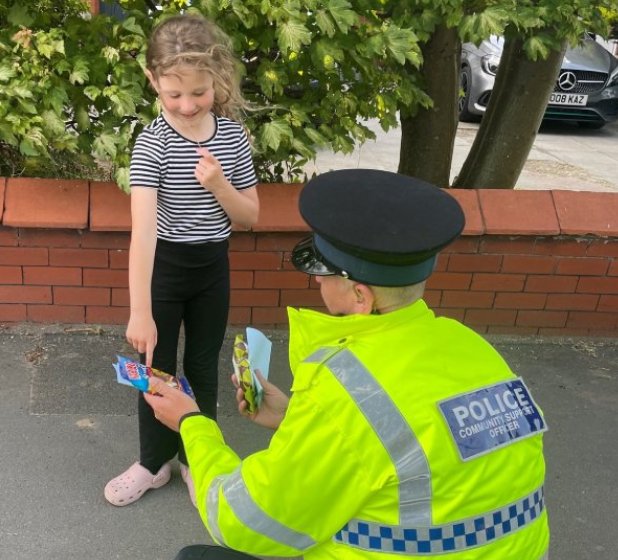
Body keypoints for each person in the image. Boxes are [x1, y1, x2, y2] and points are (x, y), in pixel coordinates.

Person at [145, 169, 550, 560]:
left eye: (323, 273)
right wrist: (294, 419)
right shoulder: (472, 346)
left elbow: (244, 520)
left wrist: (192, 424)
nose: (316, 282)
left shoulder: (347, 386)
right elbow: (410, 452)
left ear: (360, 296)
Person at [103, 14, 259, 507]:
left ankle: (197, 459)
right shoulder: (152, 143)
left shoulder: (232, 138)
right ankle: (154, 463)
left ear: (218, 78)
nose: (188, 105)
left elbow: (249, 216)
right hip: (164, 271)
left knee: (201, 366)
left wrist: (218, 185)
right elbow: (144, 232)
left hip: (212, 266)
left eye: (199, 92)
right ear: (153, 81)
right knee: (156, 369)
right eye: (174, 94)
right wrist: (140, 310)